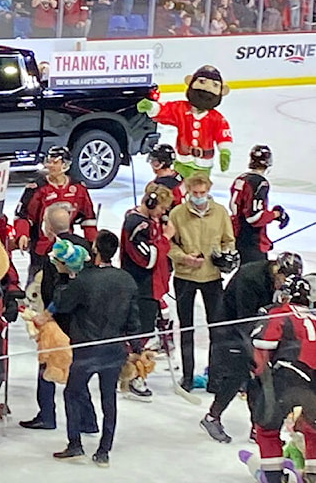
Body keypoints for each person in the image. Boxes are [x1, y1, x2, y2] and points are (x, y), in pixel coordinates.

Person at [249, 275, 316, 483]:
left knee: (267, 429)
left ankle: (273, 478)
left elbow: (263, 345)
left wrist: (261, 382)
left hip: (288, 374)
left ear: (284, 297)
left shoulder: (279, 313)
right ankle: (315, 478)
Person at [50, 232, 140, 468]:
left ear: (95, 251)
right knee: (109, 398)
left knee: (72, 393)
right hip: (113, 350)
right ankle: (103, 451)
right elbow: (134, 320)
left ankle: (75, 443)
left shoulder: (83, 279)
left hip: (86, 349)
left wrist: (63, 278)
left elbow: (63, 304)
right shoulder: (127, 280)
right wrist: (136, 349)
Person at [202, 252, 303, 443]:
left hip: (258, 328)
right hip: (232, 328)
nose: (284, 285)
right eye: (283, 280)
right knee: (239, 373)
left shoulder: (283, 284)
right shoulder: (250, 278)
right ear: (276, 271)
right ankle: (211, 417)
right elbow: (245, 319)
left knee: (260, 379)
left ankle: (257, 425)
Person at [20, 205, 97, 432]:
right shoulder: (85, 246)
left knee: (47, 363)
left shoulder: (54, 252)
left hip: (58, 319)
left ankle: (47, 415)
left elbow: (51, 289)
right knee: (76, 368)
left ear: (48, 226)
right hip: (83, 318)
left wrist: (46, 313)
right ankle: (88, 420)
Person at [168, 172, 237, 390]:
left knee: (217, 329)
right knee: (186, 328)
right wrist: (184, 258)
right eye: (195, 193)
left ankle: (215, 378)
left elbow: (229, 240)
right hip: (184, 277)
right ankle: (187, 377)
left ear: (208, 191)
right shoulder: (177, 214)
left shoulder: (220, 212)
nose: (199, 196)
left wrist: (225, 255)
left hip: (212, 277)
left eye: (203, 192)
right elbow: (168, 244)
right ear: (188, 191)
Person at [120, 183, 175, 399]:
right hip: (142, 288)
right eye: (161, 208)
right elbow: (147, 259)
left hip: (152, 288)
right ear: (151, 203)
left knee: (142, 334)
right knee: (138, 336)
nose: (163, 213)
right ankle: (135, 377)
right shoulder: (136, 225)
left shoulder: (149, 221)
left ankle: (130, 375)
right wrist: (166, 237)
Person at [14, 145, 98, 276]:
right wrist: (22, 234)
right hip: (42, 248)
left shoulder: (78, 188)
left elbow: (88, 217)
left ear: (65, 164)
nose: (50, 165)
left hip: (67, 247)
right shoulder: (37, 188)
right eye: (49, 161)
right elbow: (23, 215)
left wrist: (93, 243)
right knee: (37, 283)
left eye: (55, 162)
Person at [229, 144, 289, 263]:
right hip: (251, 241)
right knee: (255, 276)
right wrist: (276, 214)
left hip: (236, 235)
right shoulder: (260, 183)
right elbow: (254, 217)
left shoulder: (241, 179)